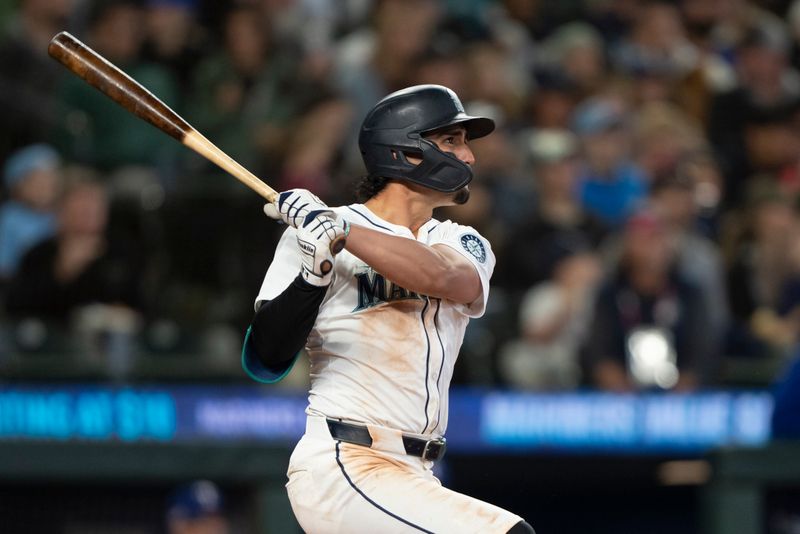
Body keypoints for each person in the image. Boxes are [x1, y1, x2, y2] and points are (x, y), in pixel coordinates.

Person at [243, 85, 533, 533]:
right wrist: (313, 274)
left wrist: (342, 230)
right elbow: (266, 359)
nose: (469, 158)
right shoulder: (312, 235)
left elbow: (446, 278)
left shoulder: (458, 240)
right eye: (452, 141)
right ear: (405, 151)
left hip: (416, 473)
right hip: (345, 463)